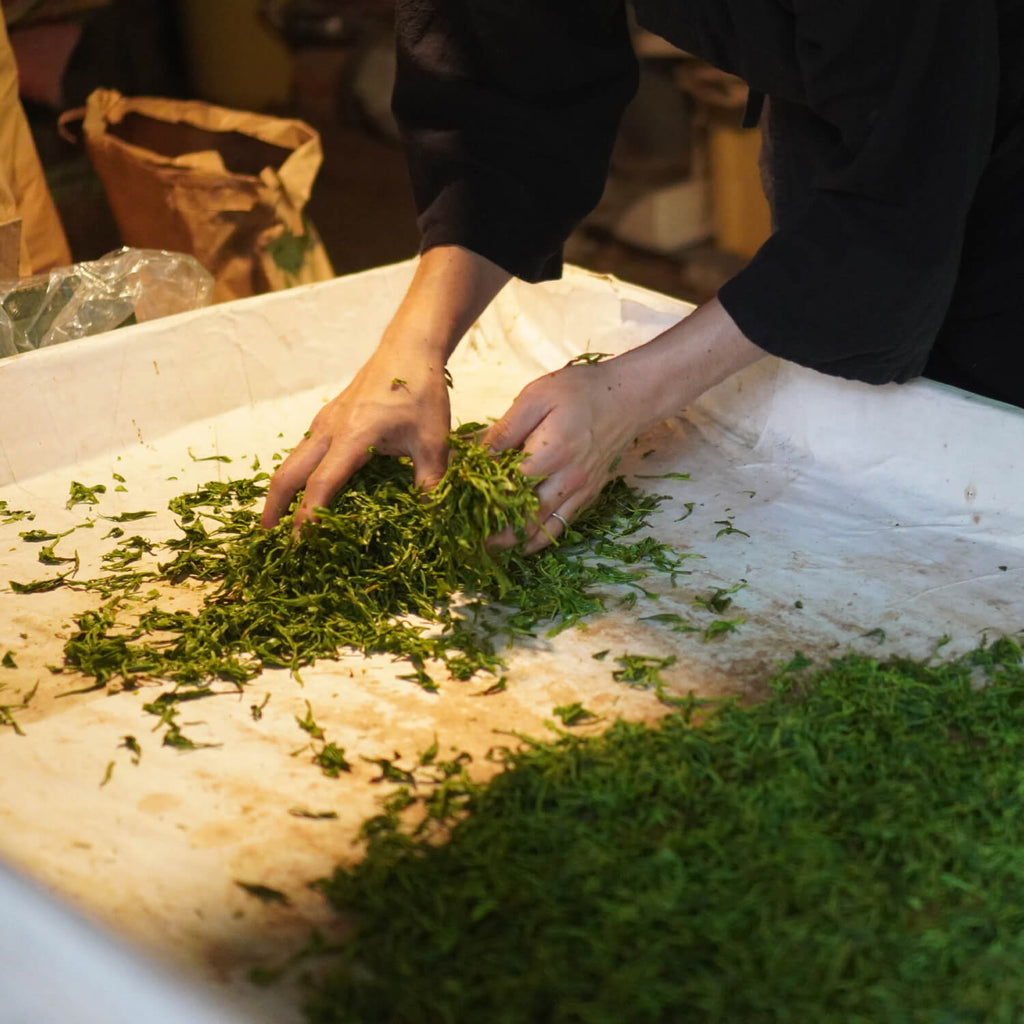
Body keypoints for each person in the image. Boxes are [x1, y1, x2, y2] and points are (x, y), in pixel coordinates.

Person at [262, 0, 1024, 552]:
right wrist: (411, 350)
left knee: (979, 484)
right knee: (859, 433)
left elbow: (902, 182)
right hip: (854, 96)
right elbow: (496, 79)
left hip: (982, 118)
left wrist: (631, 395)